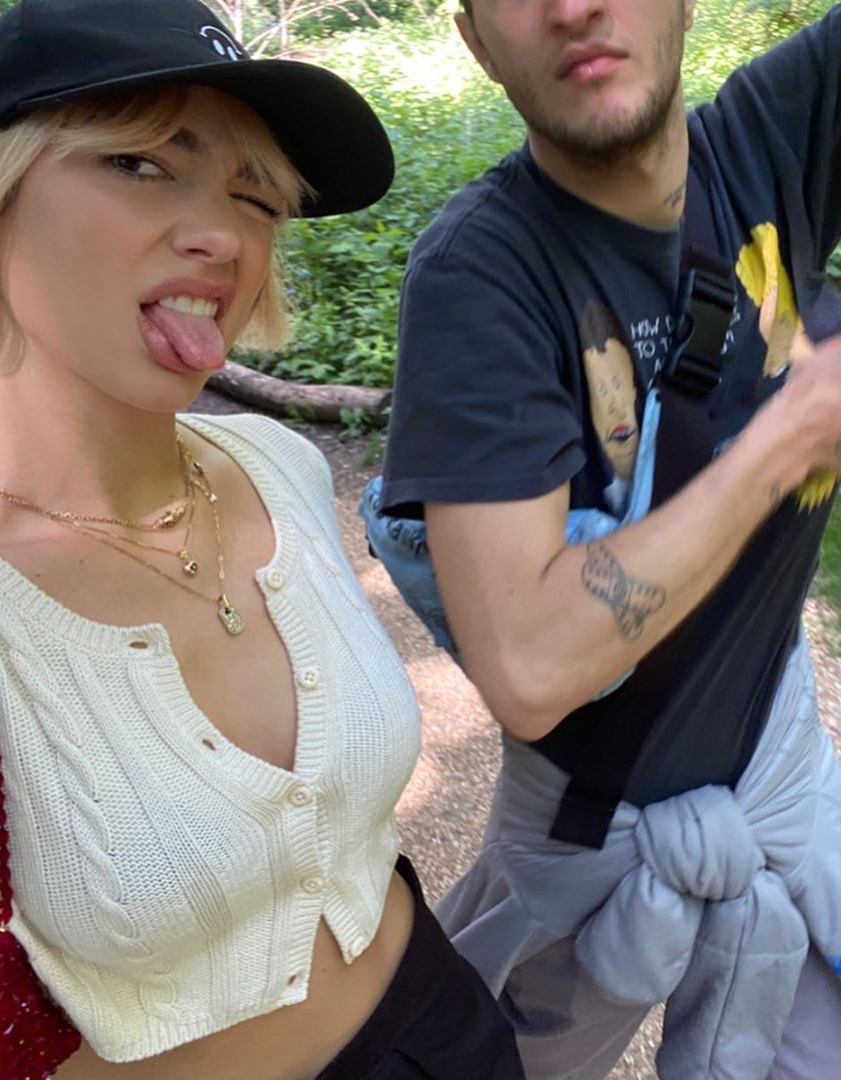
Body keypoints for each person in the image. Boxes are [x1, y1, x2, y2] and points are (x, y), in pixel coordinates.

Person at [0, 1, 526, 1077]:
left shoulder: (280, 465)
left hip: (451, 1023)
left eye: (255, 196)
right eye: (141, 164)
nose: (225, 235)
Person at [369, 0, 841, 1077]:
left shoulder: (772, 143)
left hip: (781, 773)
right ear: (476, 42)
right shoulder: (481, 277)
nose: (573, 7)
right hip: (590, 830)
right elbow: (529, 669)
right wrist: (789, 440)